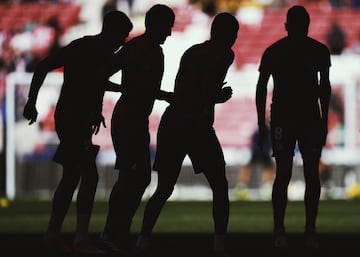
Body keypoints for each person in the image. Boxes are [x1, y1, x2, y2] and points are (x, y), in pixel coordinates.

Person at [22, 10, 133, 255]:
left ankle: (53, 235)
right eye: (121, 36)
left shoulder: (96, 51)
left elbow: (93, 81)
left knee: (72, 176)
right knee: (88, 176)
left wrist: (100, 106)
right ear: (111, 31)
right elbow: (44, 66)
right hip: (72, 118)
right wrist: (31, 102)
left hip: (76, 119)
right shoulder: (86, 47)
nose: (122, 42)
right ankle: (80, 239)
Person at [135, 12, 239, 257]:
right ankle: (219, 243)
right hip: (189, 124)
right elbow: (193, 94)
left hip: (179, 123)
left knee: (165, 188)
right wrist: (215, 98)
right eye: (232, 35)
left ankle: (143, 239)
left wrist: (210, 99)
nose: (234, 39)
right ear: (226, 35)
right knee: (216, 185)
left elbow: (189, 92)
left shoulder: (200, 53)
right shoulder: (221, 55)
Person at [98, 4, 175, 255]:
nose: (170, 33)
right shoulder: (143, 49)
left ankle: (117, 231)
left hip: (134, 118)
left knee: (137, 177)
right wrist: (157, 94)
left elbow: (103, 72)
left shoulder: (136, 47)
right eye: (168, 27)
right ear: (157, 25)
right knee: (131, 177)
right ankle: (112, 233)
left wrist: (124, 90)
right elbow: (104, 74)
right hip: (130, 119)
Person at [255, 5, 331, 251]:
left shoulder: (274, 51)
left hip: (285, 119)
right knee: (310, 174)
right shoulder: (318, 51)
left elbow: (261, 87)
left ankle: (281, 231)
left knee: (284, 174)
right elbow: (325, 88)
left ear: (286, 25)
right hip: (306, 118)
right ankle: (310, 231)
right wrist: (324, 120)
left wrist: (261, 122)